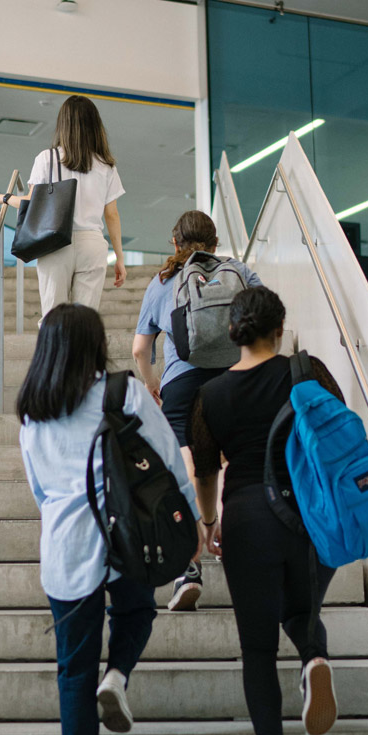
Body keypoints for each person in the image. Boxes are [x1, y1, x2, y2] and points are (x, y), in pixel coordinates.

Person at [17, 303, 200, 735]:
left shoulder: (33, 413)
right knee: (138, 610)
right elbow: (167, 459)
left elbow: (39, 488)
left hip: (64, 547)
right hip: (126, 536)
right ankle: (117, 676)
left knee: (72, 666)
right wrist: (193, 521)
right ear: (95, 344)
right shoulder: (123, 392)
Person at [189, 284, 341, 735]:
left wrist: (209, 521)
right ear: (279, 329)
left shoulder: (210, 396)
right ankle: (314, 657)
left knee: (256, 646)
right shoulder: (305, 370)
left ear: (233, 334)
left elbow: (206, 471)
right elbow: (340, 426)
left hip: (248, 517)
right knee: (301, 607)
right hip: (310, 515)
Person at [132, 210, 259, 611]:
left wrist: (153, 383)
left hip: (182, 383)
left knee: (187, 467)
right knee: (224, 466)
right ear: (216, 242)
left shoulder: (163, 281)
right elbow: (268, 319)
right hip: (232, 380)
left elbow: (140, 348)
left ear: (175, 243)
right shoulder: (238, 271)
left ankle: (188, 566)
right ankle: (233, 545)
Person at [0, 94, 126, 318]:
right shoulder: (106, 165)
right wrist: (119, 258)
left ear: (63, 124)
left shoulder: (47, 159)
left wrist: (3, 197)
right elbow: (112, 215)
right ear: (95, 125)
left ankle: (55, 353)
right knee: (85, 321)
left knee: (53, 318)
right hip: (92, 244)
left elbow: (31, 203)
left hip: (54, 241)